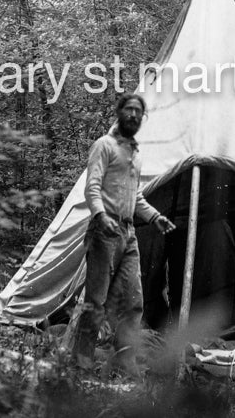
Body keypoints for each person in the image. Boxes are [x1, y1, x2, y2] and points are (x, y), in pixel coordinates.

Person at [71, 93, 175, 375]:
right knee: (96, 301)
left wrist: (154, 217)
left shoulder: (135, 154)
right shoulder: (104, 146)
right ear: (119, 112)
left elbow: (136, 196)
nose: (133, 115)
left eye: (138, 111)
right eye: (129, 109)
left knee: (133, 301)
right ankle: (81, 363)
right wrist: (100, 215)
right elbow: (92, 187)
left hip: (128, 233)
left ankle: (125, 362)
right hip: (104, 231)